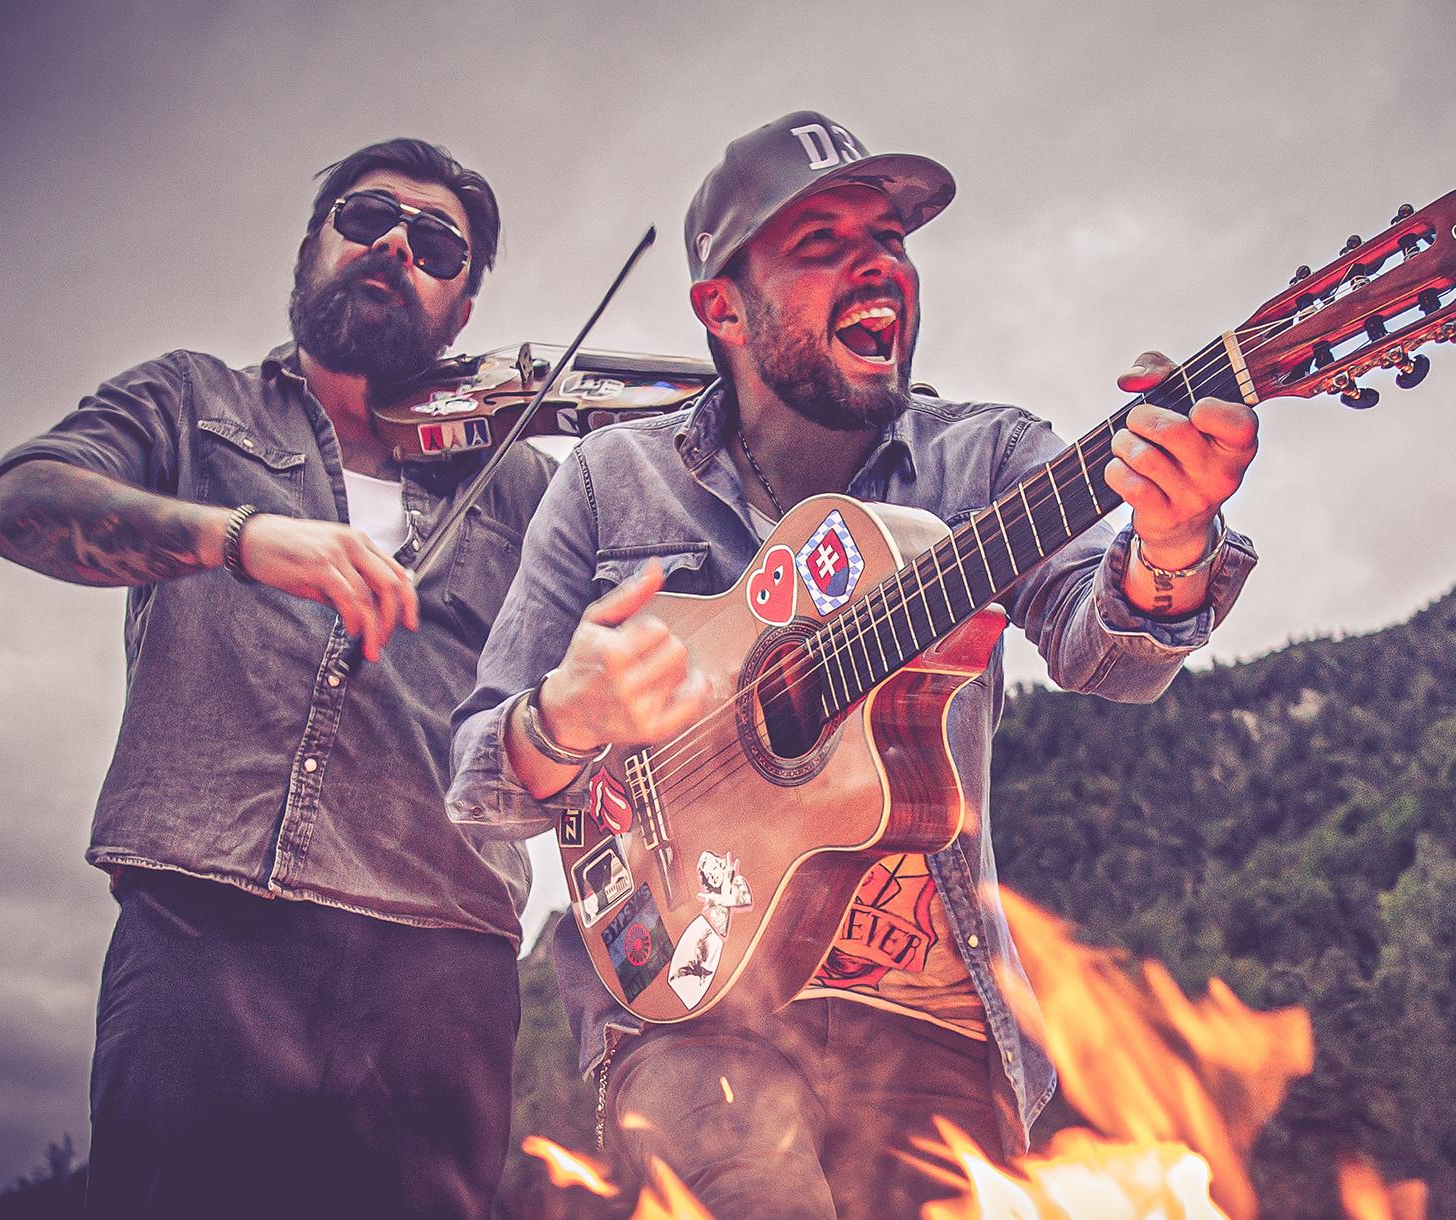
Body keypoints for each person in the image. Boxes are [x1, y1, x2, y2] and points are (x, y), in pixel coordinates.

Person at [448, 111, 1260, 1220]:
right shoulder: (609, 481)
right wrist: (563, 720)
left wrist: (1171, 544)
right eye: (823, 242)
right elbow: (480, 785)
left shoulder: (988, 458)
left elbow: (1106, 653)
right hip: (691, 1018)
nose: (879, 265)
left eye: (890, 238)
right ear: (722, 307)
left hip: (938, 1027)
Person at [0, 138, 553, 1219]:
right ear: (310, 248)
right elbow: (21, 503)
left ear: (464, 309)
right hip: (205, 929)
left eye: (437, 244)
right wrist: (240, 537)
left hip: (442, 965)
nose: (396, 244)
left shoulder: (524, 480)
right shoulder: (191, 399)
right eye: (367, 216)